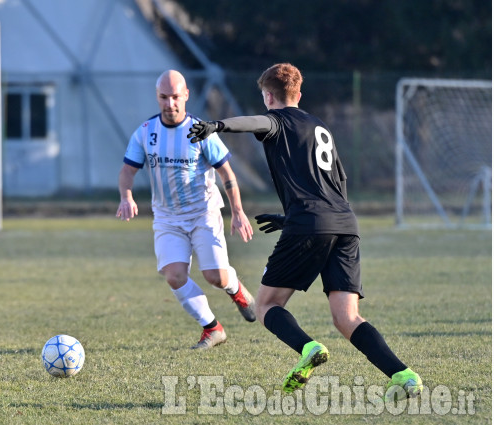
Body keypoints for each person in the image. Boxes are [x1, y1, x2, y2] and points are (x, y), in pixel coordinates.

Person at [187, 63, 422, 399]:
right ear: (299, 93)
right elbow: (337, 183)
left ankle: (308, 348)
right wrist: (293, 216)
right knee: (347, 317)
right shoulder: (320, 126)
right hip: (344, 223)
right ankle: (404, 375)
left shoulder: (277, 120)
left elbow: (258, 122)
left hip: (311, 223)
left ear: (268, 96)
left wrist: (216, 126)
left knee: (267, 305)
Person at [116, 69, 256, 350]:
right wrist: (126, 196)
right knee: (174, 275)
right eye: (164, 97)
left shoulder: (200, 131)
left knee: (215, 277)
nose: (170, 103)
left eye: (175, 97)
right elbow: (128, 170)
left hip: (203, 212)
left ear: (186, 96)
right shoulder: (146, 132)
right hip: (167, 218)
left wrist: (238, 212)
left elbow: (227, 174)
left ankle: (237, 290)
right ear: (157, 98)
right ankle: (213, 329)